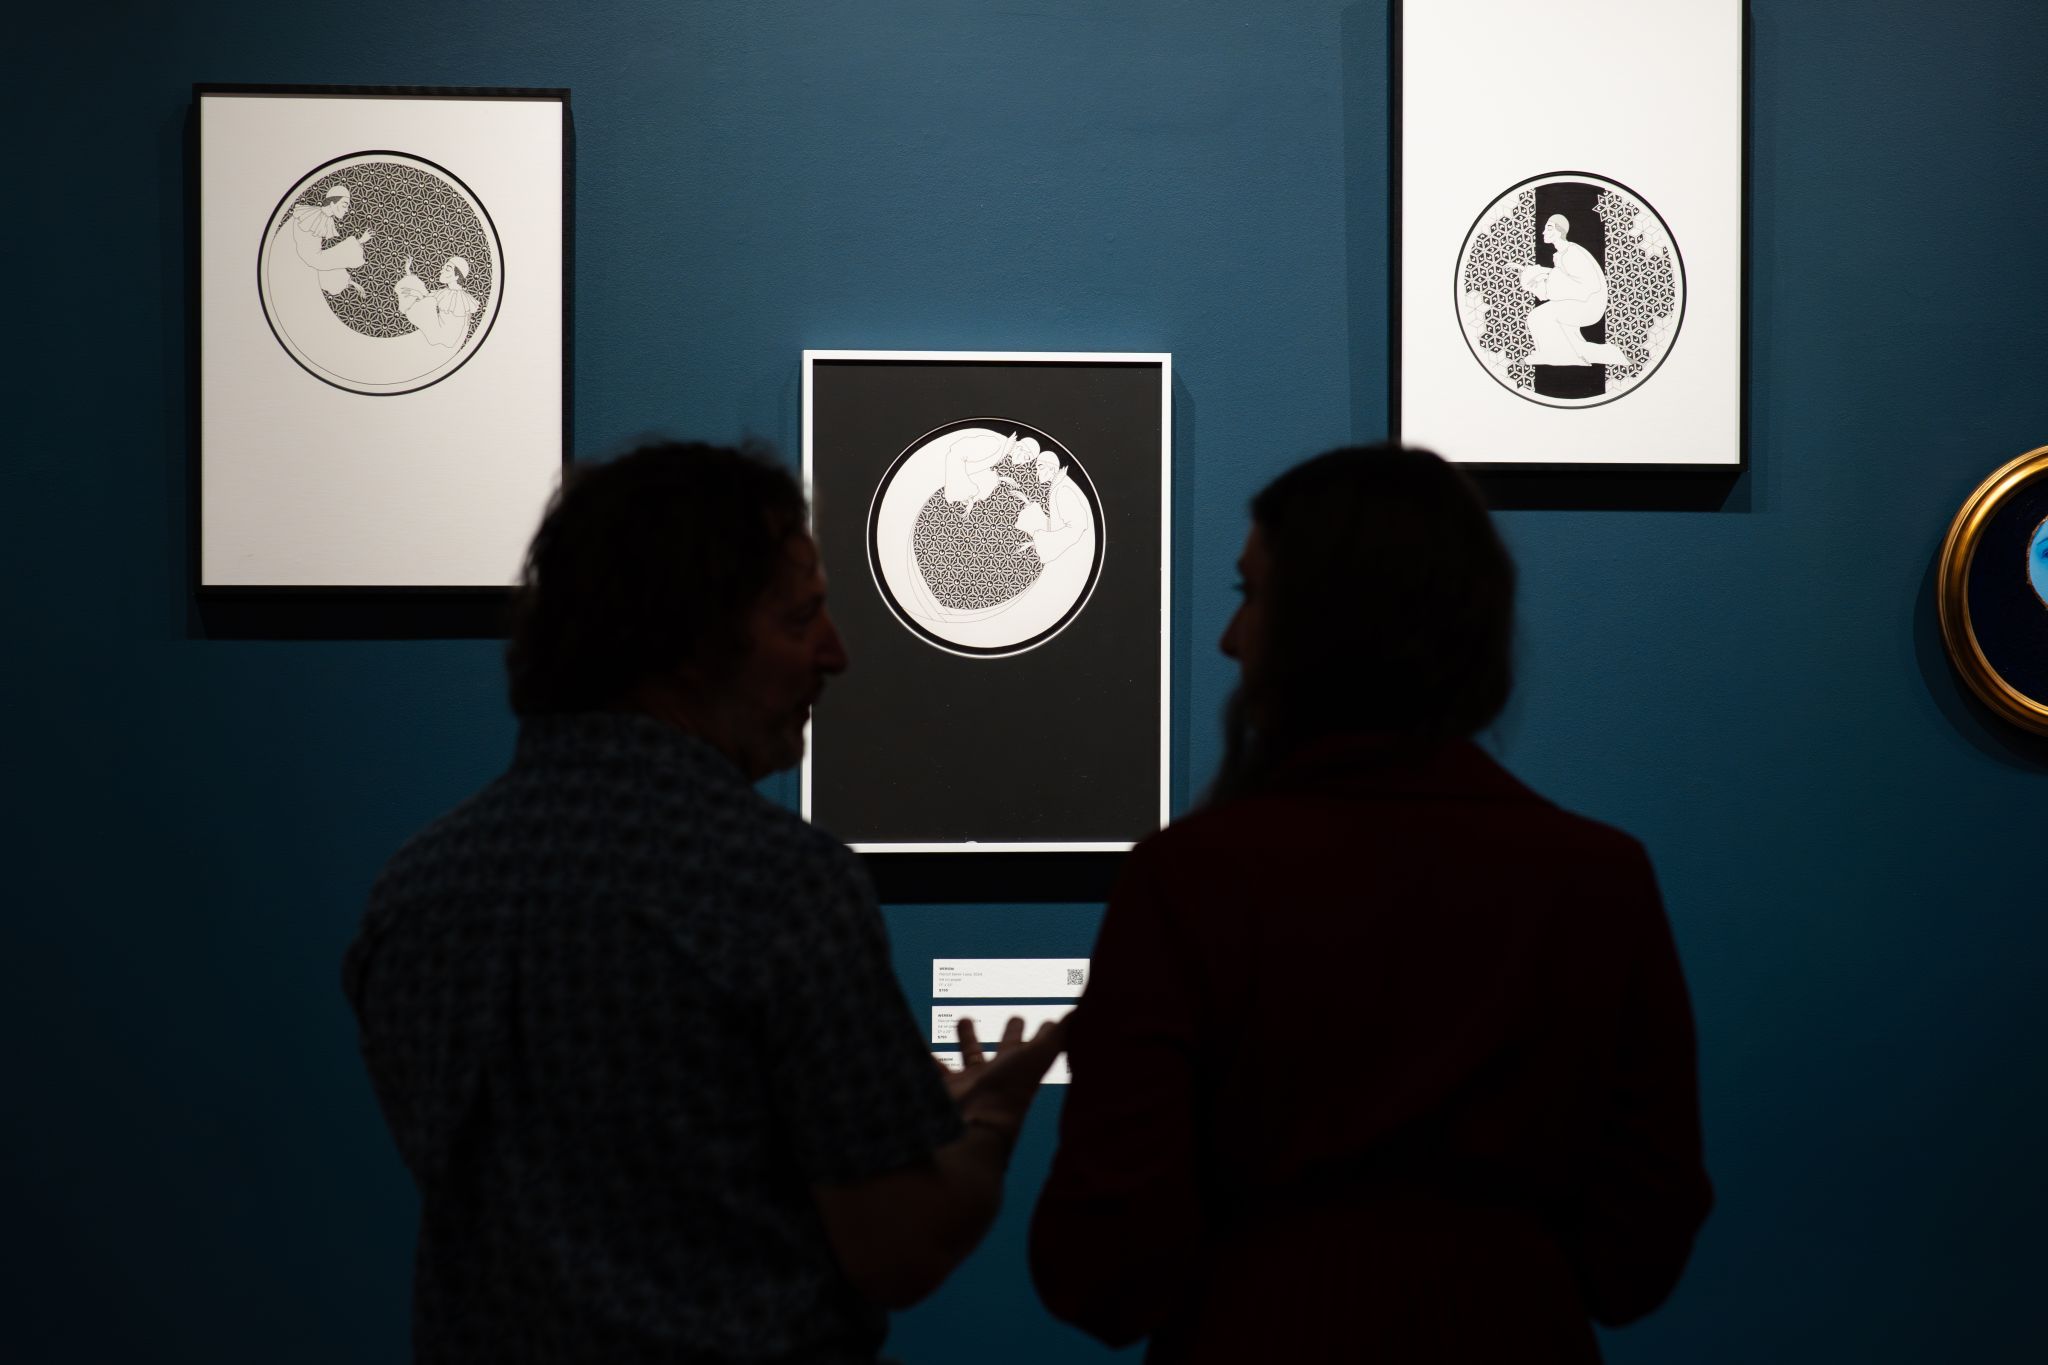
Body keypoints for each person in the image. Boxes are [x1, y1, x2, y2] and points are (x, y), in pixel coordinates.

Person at [343, 441, 1064, 1365]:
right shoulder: (776, 885)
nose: (836, 653)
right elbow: (900, 1247)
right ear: (686, 647)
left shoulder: (416, 893)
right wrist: (992, 1119)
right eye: (800, 617)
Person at [1030, 445, 1711, 1362]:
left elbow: (1106, 1263)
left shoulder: (1189, 878)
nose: (1229, 639)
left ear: (1322, 625)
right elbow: (1643, 1240)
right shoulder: (1598, 877)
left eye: (1249, 595)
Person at [1522, 213, 1630, 367]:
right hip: (1579, 302)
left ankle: (1555, 356)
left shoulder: (1572, 252)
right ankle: (1610, 354)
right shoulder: (1561, 254)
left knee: (1538, 316)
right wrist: (1543, 274)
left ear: (1560, 231)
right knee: (1568, 338)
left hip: (1589, 305)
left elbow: (1590, 285)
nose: (1544, 232)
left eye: (1549, 228)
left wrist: (1548, 277)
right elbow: (1565, 278)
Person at [284, 184, 374, 298]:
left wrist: (350, 282)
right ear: (332, 203)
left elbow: (323, 261)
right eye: (344, 205)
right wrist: (359, 241)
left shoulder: (325, 218)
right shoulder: (312, 216)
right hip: (299, 266)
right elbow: (316, 259)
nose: (347, 210)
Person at [393, 253, 478, 348]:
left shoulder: (460, 298)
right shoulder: (446, 292)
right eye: (443, 268)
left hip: (443, 337)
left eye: (447, 269)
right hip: (440, 333)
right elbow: (426, 297)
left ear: (457, 276)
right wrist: (408, 271)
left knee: (427, 301)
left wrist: (418, 295)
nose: (441, 271)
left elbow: (455, 329)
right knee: (424, 297)